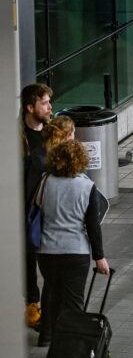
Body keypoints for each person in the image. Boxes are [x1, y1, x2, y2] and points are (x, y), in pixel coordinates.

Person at [35, 140, 110, 348]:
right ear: (81, 161)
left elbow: (38, 207)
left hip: (47, 250)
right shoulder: (87, 186)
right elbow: (93, 226)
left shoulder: (45, 181)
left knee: (51, 291)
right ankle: (71, 343)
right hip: (76, 252)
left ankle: (46, 335)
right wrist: (99, 257)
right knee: (74, 300)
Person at [21, 82, 53, 329]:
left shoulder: (52, 133)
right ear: (30, 107)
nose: (49, 107)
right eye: (44, 102)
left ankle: (51, 308)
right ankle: (33, 303)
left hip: (49, 210)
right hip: (24, 210)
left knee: (51, 260)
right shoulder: (17, 137)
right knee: (28, 258)